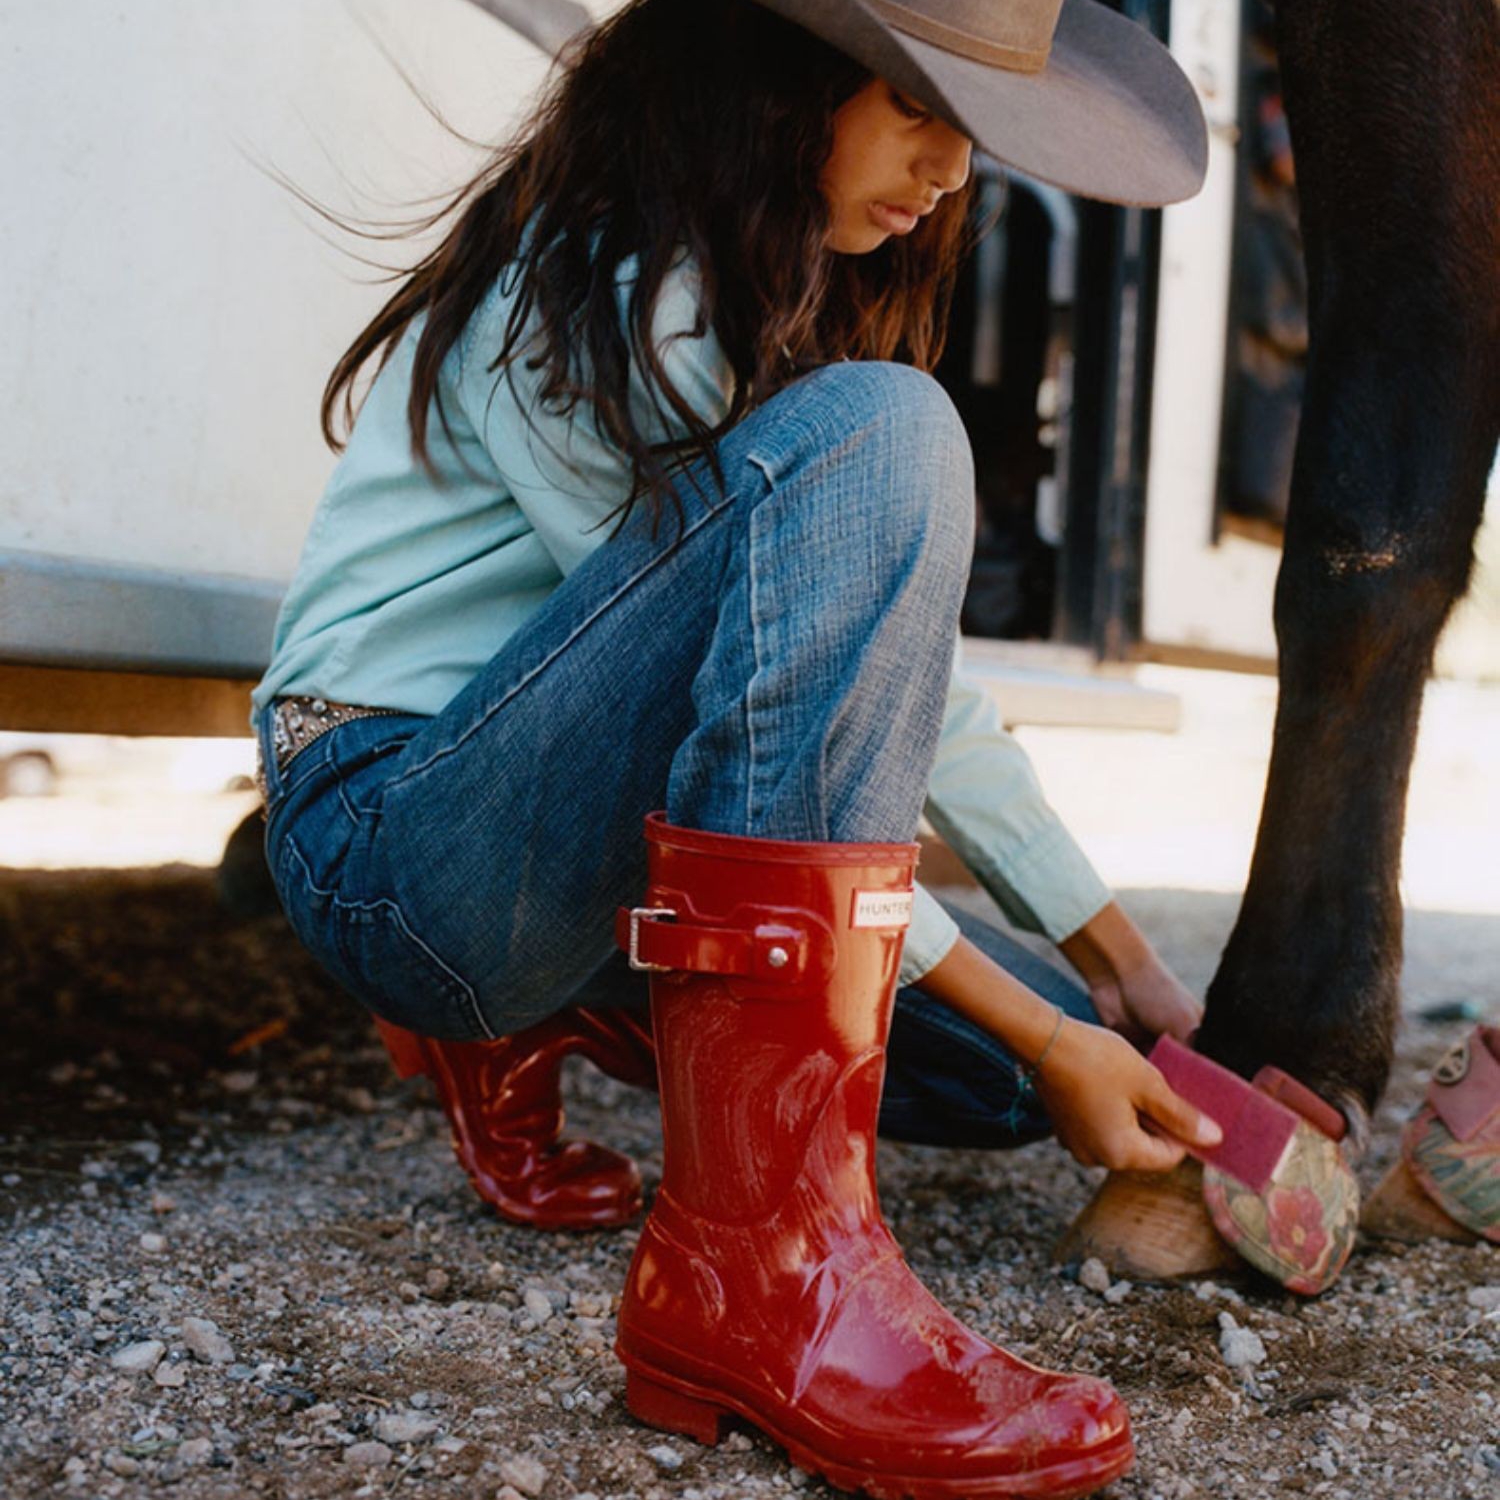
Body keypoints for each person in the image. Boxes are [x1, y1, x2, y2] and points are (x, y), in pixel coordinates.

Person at [252, 1, 1219, 1493]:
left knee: (1003, 1083)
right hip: (396, 837)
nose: (951, 175)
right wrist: (1051, 1021)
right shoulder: (580, 298)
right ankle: (756, 1273)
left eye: (975, 138)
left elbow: (915, 712)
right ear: (781, 87)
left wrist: (1109, 968)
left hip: (573, 839)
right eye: (918, 111)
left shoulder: (770, 312)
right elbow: (742, 708)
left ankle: (551, 1012)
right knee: (886, 434)